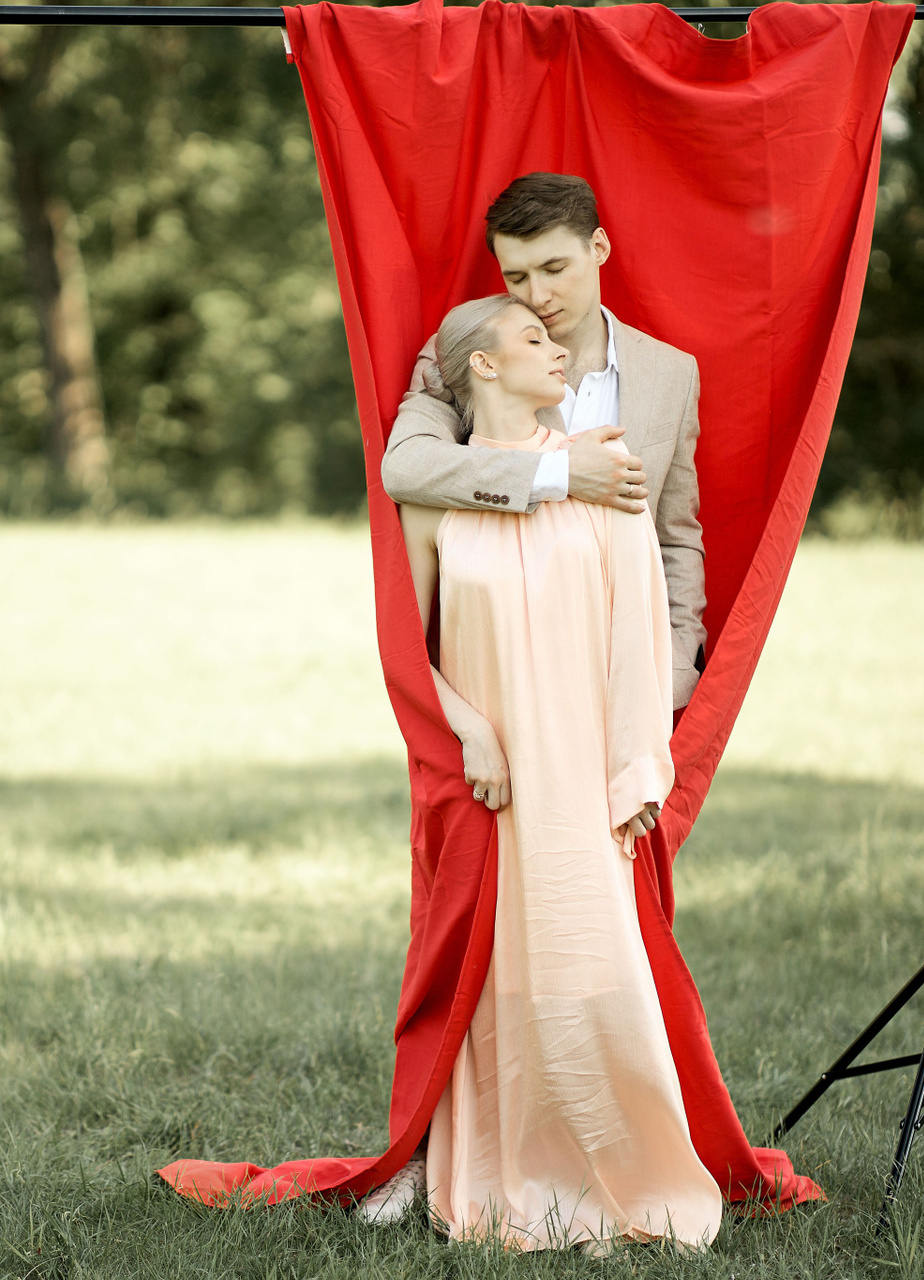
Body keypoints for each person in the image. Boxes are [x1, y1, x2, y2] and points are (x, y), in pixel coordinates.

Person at [363, 293, 722, 1254]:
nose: (556, 345)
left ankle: (625, 1164)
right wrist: (470, 731)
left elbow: (638, 637)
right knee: (487, 972)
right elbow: (405, 648)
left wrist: (635, 771)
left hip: (582, 768)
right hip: (488, 776)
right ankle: (489, 1160)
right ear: (483, 366)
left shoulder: (604, 476)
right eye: (531, 337)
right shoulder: (438, 493)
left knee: (586, 958)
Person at [380, 173, 707, 709]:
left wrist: (673, 668)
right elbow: (406, 466)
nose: (537, 296)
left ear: (598, 247)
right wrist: (560, 474)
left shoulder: (672, 374)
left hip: (631, 675)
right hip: (510, 674)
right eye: (517, 277)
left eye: (554, 269)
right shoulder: (471, 353)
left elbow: (676, 535)